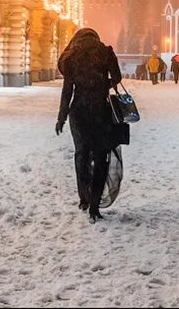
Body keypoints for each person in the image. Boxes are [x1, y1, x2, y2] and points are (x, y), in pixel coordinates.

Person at [55, 28, 122, 223]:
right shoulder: (105, 52)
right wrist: (102, 84)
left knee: (81, 154)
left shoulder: (72, 56)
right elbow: (117, 77)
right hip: (100, 111)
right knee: (101, 156)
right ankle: (95, 205)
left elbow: (67, 90)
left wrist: (61, 117)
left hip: (79, 112)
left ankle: (83, 198)